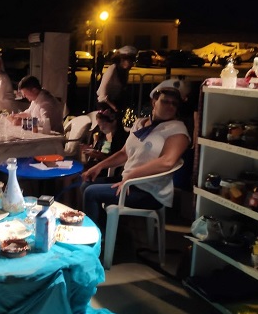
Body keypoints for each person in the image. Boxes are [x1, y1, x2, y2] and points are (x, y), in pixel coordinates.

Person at [81, 82, 190, 226]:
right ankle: (106, 230)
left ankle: (96, 235)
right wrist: (99, 166)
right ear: (154, 102)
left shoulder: (177, 129)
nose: (170, 106)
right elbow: (124, 153)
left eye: (174, 104)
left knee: (91, 192)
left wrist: (131, 176)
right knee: (86, 184)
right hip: (128, 182)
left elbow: (167, 162)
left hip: (150, 190)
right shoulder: (140, 123)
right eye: (165, 101)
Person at [81, 105, 128, 171]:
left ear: (114, 121)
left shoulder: (122, 137)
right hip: (97, 165)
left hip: (107, 169)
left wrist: (100, 156)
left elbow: (117, 161)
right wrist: (89, 150)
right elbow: (97, 150)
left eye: (104, 124)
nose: (101, 128)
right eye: (99, 125)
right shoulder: (103, 134)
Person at [96, 45, 137, 114]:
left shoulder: (124, 71)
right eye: (130, 61)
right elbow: (102, 96)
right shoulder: (112, 69)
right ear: (122, 60)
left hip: (114, 103)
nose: (132, 64)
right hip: (104, 105)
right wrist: (114, 108)